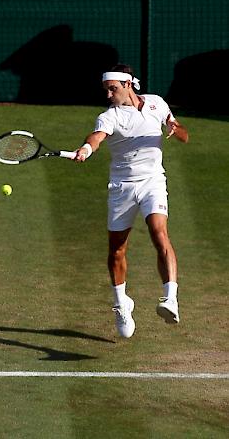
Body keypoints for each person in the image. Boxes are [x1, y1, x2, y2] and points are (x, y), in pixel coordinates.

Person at [73, 64, 189, 338]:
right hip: (122, 188)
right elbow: (97, 136)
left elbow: (184, 135)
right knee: (117, 251)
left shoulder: (157, 104)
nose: (109, 94)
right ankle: (121, 303)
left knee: (159, 233)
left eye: (112, 88)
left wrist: (175, 127)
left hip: (153, 182)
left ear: (128, 85)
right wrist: (87, 148)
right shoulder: (109, 116)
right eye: (106, 90)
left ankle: (170, 298)